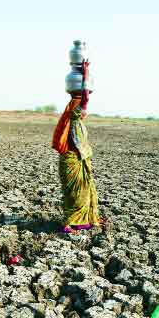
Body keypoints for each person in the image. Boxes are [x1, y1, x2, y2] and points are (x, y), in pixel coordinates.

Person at [51, 59, 102, 234]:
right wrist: (86, 72)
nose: (86, 110)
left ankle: (81, 221)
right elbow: (86, 96)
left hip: (71, 160)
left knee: (77, 192)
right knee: (78, 193)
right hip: (72, 160)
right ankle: (70, 223)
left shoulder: (72, 115)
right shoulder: (76, 110)